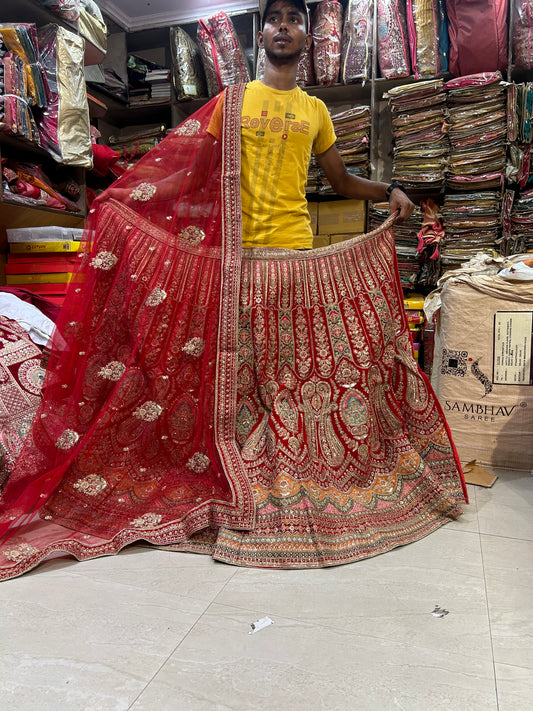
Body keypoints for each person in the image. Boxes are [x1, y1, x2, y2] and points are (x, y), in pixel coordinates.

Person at [0, 0, 466, 579]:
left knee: (290, 371)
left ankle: (291, 468)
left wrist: (388, 189)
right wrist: (128, 192)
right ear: (261, 34)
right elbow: (190, 165)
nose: (284, 27)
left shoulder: (316, 110)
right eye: (274, 18)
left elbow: (341, 180)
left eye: (296, 19)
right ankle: (236, 472)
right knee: (239, 371)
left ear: (304, 36)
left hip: (294, 258)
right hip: (236, 260)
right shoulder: (233, 102)